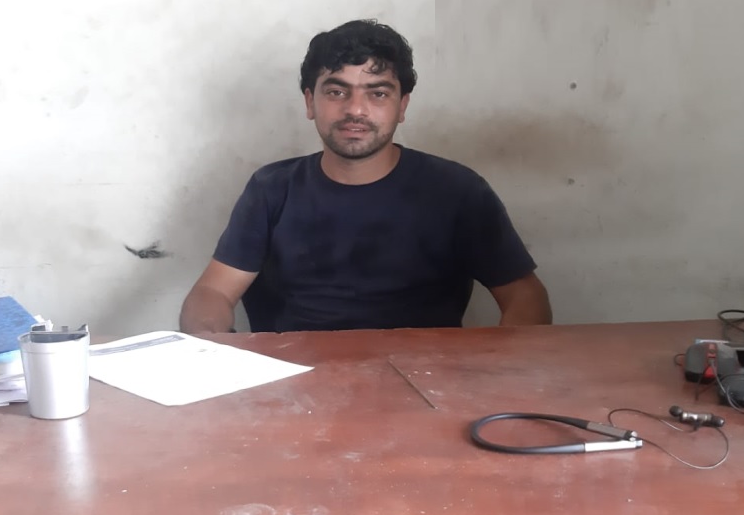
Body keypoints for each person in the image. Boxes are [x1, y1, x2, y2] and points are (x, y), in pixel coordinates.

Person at [179, 19, 552, 334]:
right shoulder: (271, 189)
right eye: (337, 91)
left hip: (427, 381)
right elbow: (213, 293)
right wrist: (215, 351)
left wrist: (498, 371)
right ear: (310, 102)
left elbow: (525, 296)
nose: (356, 109)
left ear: (402, 106)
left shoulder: (458, 191)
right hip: (289, 382)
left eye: (378, 94)